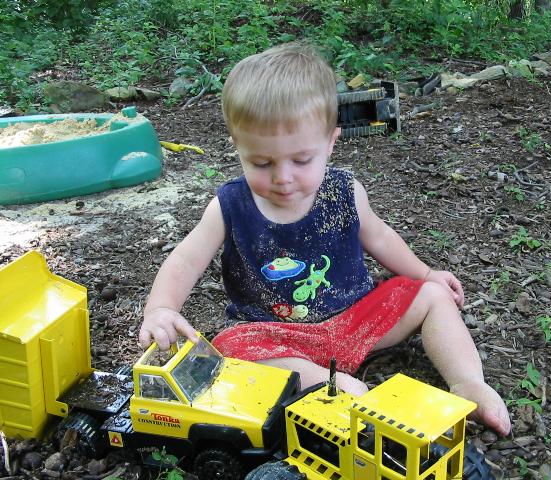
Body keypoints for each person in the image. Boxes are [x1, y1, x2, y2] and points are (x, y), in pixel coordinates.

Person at [139, 43, 511, 436]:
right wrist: (161, 307)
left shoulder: (345, 192)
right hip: (274, 335)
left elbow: (381, 237)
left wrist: (427, 274)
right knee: (228, 349)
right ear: (238, 147)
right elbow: (186, 259)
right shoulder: (230, 206)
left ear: (331, 142)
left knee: (432, 297)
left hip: (356, 318)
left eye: (301, 160)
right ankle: (333, 385)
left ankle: (468, 382)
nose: (283, 177)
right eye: (261, 163)